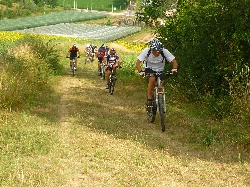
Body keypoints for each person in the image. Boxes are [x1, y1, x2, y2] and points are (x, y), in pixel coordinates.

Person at [136, 38, 178, 109]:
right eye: (155, 52)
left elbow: (174, 62)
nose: (157, 53)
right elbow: (138, 63)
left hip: (160, 70)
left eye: (159, 52)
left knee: (160, 84)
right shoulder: (146, 51)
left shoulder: (164, 51)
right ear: (151, 49)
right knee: (152, 79)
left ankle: (160, 101)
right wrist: (141, 71)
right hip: (149, 68)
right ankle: (149, 100)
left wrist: (174, 69)